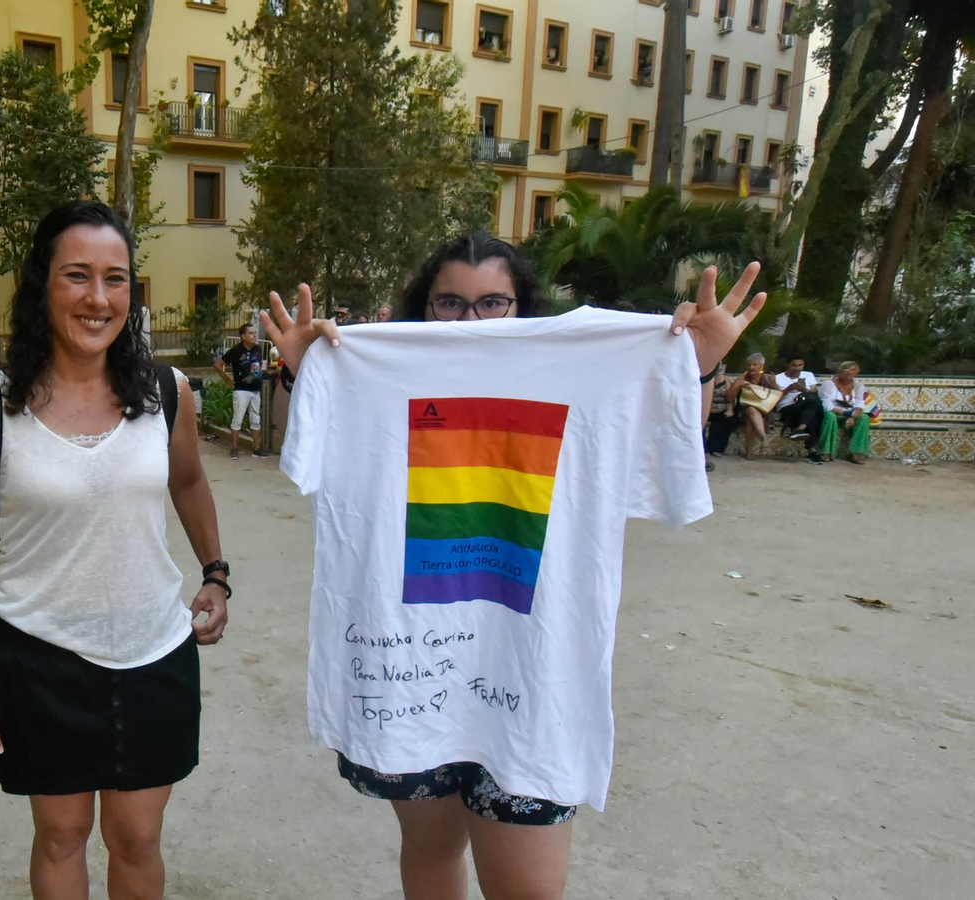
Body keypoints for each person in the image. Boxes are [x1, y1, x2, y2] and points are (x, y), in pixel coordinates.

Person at [261, 232, 764, 900]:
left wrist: (697, 364)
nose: (470, 321)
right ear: (424, 307)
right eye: (450, 304)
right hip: (414, 677)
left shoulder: (583, 363)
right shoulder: (377, 364)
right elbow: (315, 459)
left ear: (522, 306)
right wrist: (309, 371)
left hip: (531, 682)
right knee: (432, 853)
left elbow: (665, 454)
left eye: (491, 303)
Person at [0, 201, 228, 900]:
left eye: (116, 278)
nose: (98, 298)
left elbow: (188, 481)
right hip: (40, 658)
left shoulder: (168, 394)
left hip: (156, 651)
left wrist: (216, 575)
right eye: (77, 275)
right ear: (42, 284)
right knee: (62, 835)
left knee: (136, 838)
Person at [216, 323, 271, 460]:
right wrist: (227, 380)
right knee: (238, 418)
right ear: (243, 336)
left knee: (255, 418)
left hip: (255, 390)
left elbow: (259, 366)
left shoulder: (258, 349)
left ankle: (256, 448)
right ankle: (234, 448)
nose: (254, 335)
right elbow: (218, 365)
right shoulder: (236, 350)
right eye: (251, 333)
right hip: (241, 390)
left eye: (254, 333)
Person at [725, 353, 782, 461]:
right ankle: (763, 436)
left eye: (755, 365)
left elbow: (779, 396)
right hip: (743, 411)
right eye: (749, 365)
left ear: (761, 366)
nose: (752, 367)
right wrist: (738, 385)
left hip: (764, 411)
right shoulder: (742, 379)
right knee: (751, 410)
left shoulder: (767, 379)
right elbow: (729, 398)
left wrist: (774, 384)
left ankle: (749, 450)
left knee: (752, 414)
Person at [819, 361, 874, 464]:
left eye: (853, 370)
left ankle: (854, 453)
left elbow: (859, 404)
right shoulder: (829, 384)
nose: (849, 372)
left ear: (857, 372)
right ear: (840, 371)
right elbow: (825, 403)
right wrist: (844, 413)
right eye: (846, 369)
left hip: (849, 414)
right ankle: (826, 452)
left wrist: (852, 417)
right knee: (830, 416)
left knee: (864, 418)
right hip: (832, 412)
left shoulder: (858, 386)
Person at [772, 355, 824, 461]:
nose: (797, 368)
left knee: (811, 404)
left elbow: (814, 392)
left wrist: (804, 389)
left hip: (806, 407)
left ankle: (801, 430)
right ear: (788, 365)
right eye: (794, 365)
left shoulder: (808, 375)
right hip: (788, 408)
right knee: (812, 409)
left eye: (800, 365)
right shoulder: (778, 378)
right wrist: (789, 388)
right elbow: (776, 398)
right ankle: (811, 450)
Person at [703, 361, 740, 458]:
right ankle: (704, 449)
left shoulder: (726, 379)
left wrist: (730, 409)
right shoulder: (705, 378)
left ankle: (717, 449)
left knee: (726, 420)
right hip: (707, 408)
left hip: (721, 408)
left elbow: (729, 397)